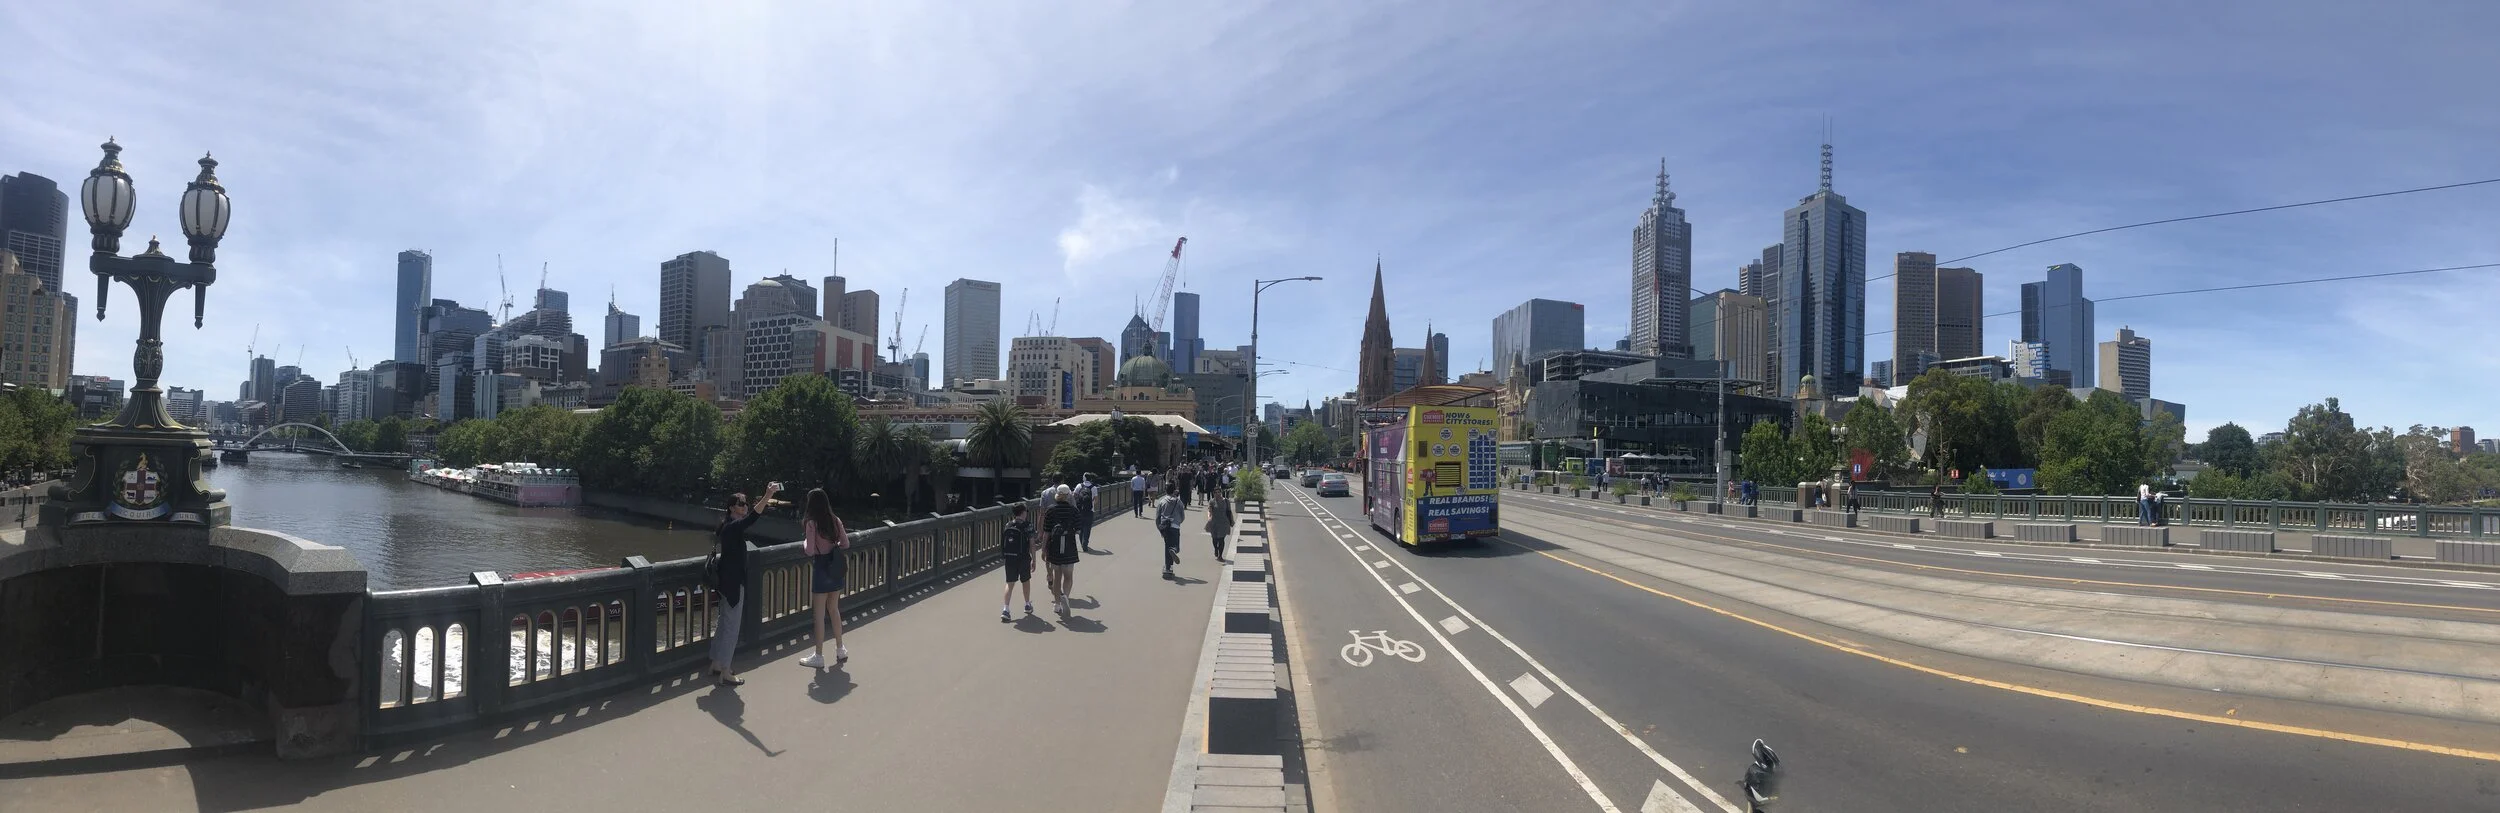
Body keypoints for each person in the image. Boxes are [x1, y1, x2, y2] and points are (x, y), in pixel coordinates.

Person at [709, 481, 779, 687]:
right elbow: (753, 517)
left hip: (724, 582)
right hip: (732, 584)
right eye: (741, 504)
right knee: (732, 627)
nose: (745, 506)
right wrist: (767, 495)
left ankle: (716, 662)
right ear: (732, 508)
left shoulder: (726, 526)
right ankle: (726, 671)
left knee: (723, 623)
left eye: (746, 503)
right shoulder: (733, 527)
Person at [798, 488, 850, 668]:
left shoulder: (812, 523)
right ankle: (840, 648)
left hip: (821, 567)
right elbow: (845, 543)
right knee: (834, 609)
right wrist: (832, 545)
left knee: (819, 615)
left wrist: (805, 542)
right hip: (835, 567)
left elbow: (809, 550)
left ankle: (818, 655)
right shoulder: (835, 520)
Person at [1042, 486, 1083, 615]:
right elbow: (1078, 530)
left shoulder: (1050, 510)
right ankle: (1065, 596)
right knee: (1068, 576)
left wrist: (1043, 549)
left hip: (1054, 546)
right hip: (1069, 546)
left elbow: (1046, 532)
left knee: (1057, 576)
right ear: (1068, 495)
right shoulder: (1074, 510)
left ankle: (1057, 604)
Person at [1000, 503, 1035, 621]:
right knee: (1025, 580)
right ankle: (1027, 604)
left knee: (1009, 583)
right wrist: (1034, 559)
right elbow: (1032, 544)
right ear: (1023, 512)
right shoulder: (1028, 525)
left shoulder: (1008, 525)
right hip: (1023, 557)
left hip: (1010, 558)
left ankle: (1006, 609)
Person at [1154, 487, 1185, 579]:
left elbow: (1157, 517)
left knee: (1167, 546)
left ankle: (1168, 568)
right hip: (1175, 526)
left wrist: (1160, 529)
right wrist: (1178, 522)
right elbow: (1182, 516)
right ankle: (1173, 551)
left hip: (1165, 526)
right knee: (1175, 546)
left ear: (1165, 491)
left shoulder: (1162, 501)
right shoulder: (1178, 501)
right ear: (1174, 491)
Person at [1206, 489, 1235, 564]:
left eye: (1219, 492)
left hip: (1224, 522)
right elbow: (1209, 510)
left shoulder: (1226, 501)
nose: (1217, 494)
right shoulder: (1212, 501)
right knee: (1214, 538)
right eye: (1215, 492)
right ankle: (1216, 549)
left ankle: (1220, 556)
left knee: (1221, 539)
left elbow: (1229, 511)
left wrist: (1232, 520)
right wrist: (1209, 517)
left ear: (1221, 493)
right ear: (1213, 493)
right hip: (1214, 522)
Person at [1073, 474, 1099, 552]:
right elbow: (1096, 500)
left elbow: (1074, 495)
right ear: (1090, 479)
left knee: (1080, 527)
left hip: (1080, 510)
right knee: (1087, 527)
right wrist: (1091, 503)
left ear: (1084, 478)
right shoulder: (1094, 488)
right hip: (1090, 511)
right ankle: (1085, 542)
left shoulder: (1079, 486)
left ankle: (1082, 542)